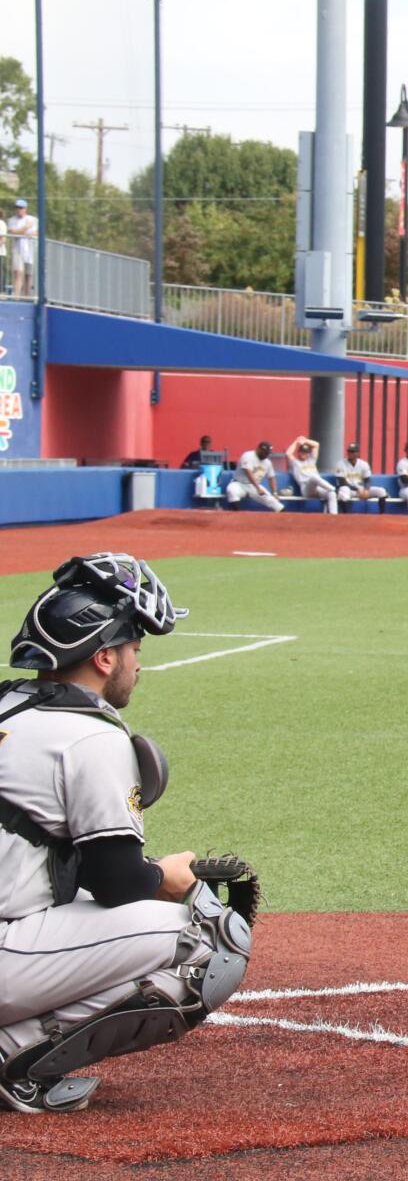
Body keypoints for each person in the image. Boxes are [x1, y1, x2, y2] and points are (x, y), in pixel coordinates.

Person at [0, 554, 253, 1113]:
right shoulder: (88, 736)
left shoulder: (7, 705)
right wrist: (168, 875)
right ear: (104, 656)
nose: (138, 663)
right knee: (211, 936)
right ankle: (12, 1058)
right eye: (135, 648)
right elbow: (115, 880)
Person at [224, 440, 284, 512]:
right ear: (259, 449)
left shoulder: (268, 462)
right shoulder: (248, 455)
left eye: (268, 453)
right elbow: (248, 473)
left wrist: (275, 493)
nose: (266, 455)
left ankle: (287, 519)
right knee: (232, 491)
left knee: (273, 501)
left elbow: (271, 478)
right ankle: (238, 515)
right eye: (264, 452)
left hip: (254, 486)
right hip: (239, 483)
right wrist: (258, 488)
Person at [286, 435, 339, 515]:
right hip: (306, 488)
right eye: (302, 452)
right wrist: (296, 442)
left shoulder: (311, 460)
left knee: (331, 494)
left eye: (306, 452)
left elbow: (316, 445)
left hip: (318, 487)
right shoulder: (295, 463)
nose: (304, 454)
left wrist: (305, 441)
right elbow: (288, 453)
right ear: (299, 452)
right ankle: (333, 488)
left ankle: (334, 516)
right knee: (313, 477)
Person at [333, 442, 389, 510]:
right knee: (343, 492)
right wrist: (357, 489)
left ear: (357, 453)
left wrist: (366, 490)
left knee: (381, 491)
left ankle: (382, 515)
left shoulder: (363, 464)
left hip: (361, 489)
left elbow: (367, 480)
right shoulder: (341, 464)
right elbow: (342, 482)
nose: (350, 453)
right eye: (349, 451)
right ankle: (345, 516)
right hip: (350, 490)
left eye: (352, 451)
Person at [8, 199, 37, 298]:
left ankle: (26, 296)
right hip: (17, 249)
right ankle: (16, 296)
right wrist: (25, 229)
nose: (18, 210)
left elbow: (35, 233)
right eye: (17, 208)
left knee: (28, 274)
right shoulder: (12, 220)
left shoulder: (32, 219)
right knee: (18, 272)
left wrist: (22, 232)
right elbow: (12, 232)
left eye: (20, 208)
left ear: (25, 209)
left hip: (29, 249)